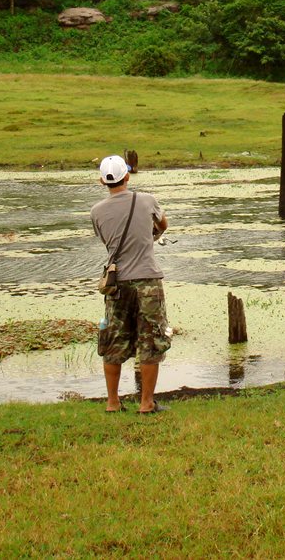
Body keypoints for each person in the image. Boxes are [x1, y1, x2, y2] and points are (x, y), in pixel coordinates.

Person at [91, 155, 170, 413]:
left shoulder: (96, 212)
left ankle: (113, 402)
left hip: (117, 284)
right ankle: (146, 403)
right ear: (127, 176)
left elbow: (107, 241)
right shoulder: (147, 200)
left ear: (103, 181)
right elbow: (163, 225)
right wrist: (150, 235)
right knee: (151, 340)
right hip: (148, 280)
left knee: (113, 341)